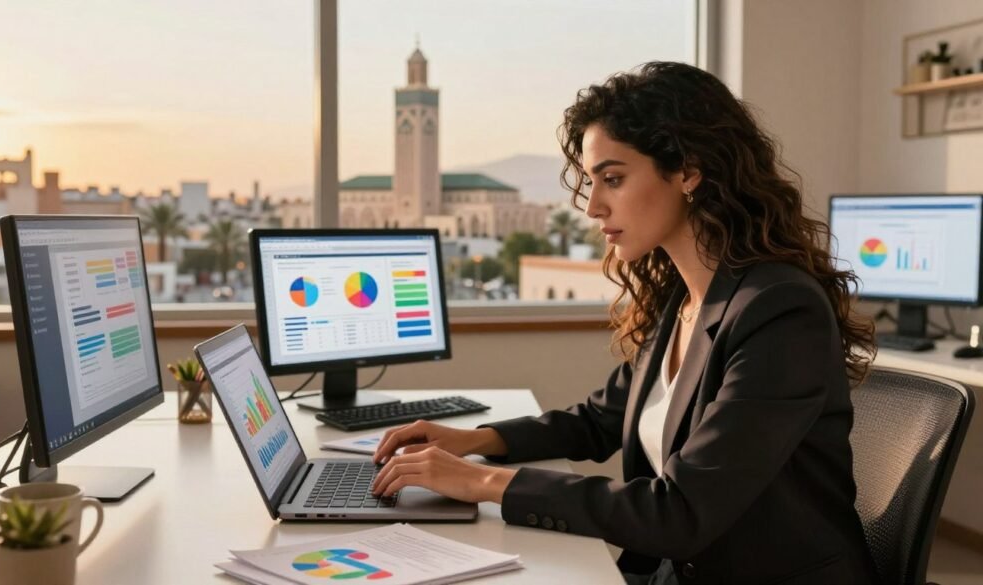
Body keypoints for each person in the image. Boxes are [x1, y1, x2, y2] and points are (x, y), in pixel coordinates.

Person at [371, 62, 878, 585]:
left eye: (613, 179)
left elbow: (679, 512)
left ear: (688, 171)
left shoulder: (780, 311)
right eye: (591, 183)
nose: (592, 206)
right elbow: (599, 420)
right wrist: (472, 441)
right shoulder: (684, 300)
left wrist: (481, 482)